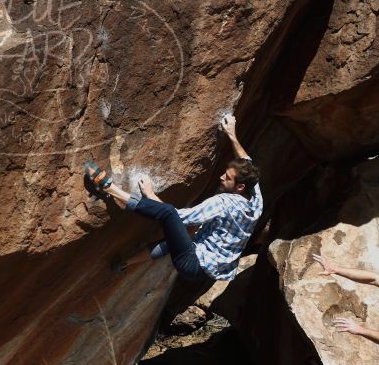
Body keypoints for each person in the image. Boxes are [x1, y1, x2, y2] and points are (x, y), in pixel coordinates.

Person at [84, 114, 262, 282]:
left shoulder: (223, 203)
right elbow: (246, 160)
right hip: (207, 272)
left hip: (192, 264)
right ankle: (123, 264)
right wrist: (231, 134)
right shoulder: (256, 198)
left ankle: (110, 188)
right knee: (173, 239)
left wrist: (150, 194)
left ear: (240, 187)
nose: (222, 177)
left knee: (168, 214)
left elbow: (179, 218)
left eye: (228, 178)